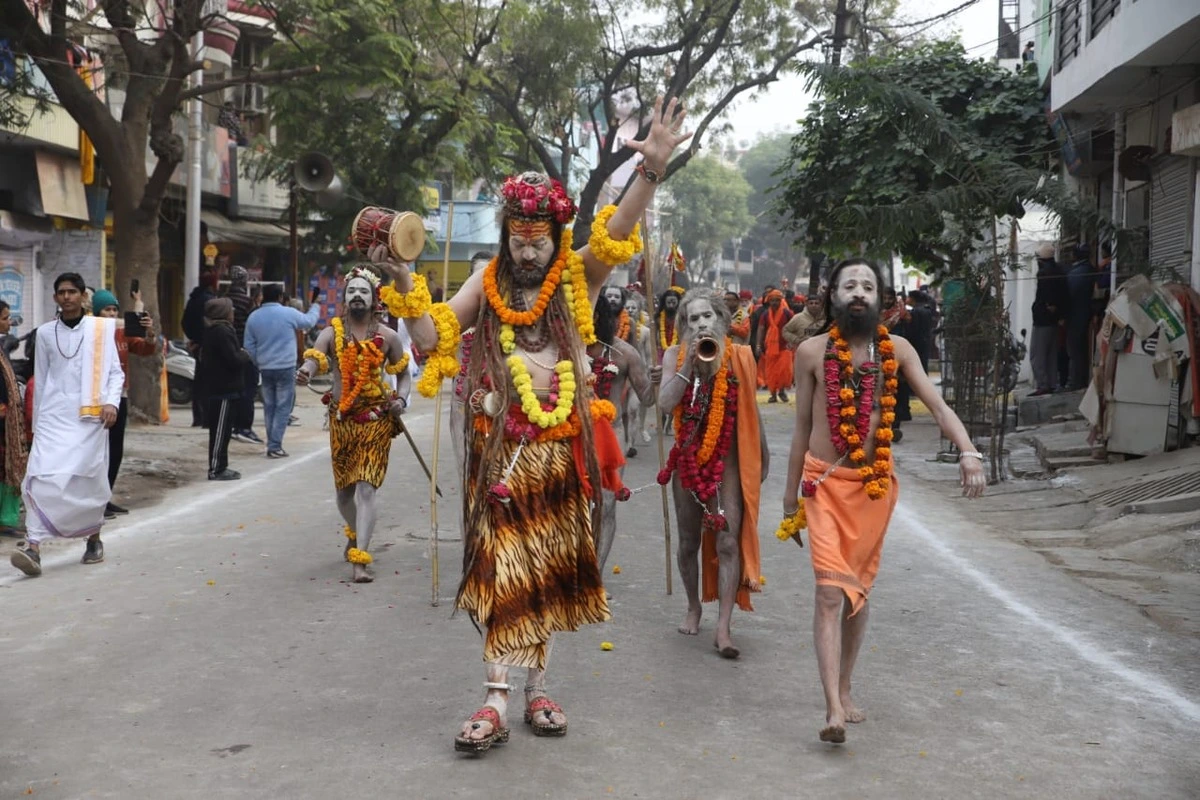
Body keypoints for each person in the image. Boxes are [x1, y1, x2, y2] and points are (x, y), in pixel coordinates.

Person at [375, 96, 688, 755]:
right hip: (493, 454)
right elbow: (436, 334)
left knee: (541, 570)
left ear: (555, 235)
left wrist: (651, 170)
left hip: (553, 449)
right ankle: (495, 694)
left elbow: (619, 225)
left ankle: (538, 686)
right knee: (495, 570)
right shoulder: (483, 283)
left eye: (536, 238)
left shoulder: (579, 279)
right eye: (516, 237)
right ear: (505, 234)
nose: (525, 249)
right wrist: (405, 285)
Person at [781, 258, 986, 744]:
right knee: (829, 592)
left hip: (874, 488)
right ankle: (832, 706)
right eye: (849, 285)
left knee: (856, 593)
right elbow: (802, 429)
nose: (858, 293)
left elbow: (938, 406)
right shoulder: (811, 352)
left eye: (867, 286)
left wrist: (969, 451)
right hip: (824, 485)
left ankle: (846, 686)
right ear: (833, 296)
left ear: (881, 299)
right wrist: (790, 499)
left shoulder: (898, 350)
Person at [657, 288, 767, 659]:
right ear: (683, 326)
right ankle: (693, 606)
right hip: (687, 460)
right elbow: (664, 403)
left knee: (726, 542)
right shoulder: (675, 354)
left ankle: (723, 627)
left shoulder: (740, 357)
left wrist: (761, 458)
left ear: (722, 320)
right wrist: (689, 365)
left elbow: (753, 415)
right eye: (693, 319)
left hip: (728, 465)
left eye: (708, 317)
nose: (702, 324)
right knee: (688, 543)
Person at [297, 266, 412, 583]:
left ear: (375, 298)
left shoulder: (388, 337)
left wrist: (400, 400)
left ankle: (359, 558)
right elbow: (315, 358)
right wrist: (307, 370)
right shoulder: (331, 334)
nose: (358, 295)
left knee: (366, 489)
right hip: (342, 421)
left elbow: (403, 375)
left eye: (364, 291)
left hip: (376, 419)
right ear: (344, 299)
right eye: (352, 291)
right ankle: (353, 532)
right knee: (344, 495)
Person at [10, 273, 124, 577]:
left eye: (72, 291)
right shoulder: (45, 333)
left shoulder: (100, 329)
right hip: (54, 417)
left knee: (87, 479)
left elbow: (115, 372)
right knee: (40, 475)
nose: (67, 297)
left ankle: (93, 539)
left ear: (83, 295)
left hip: (91, 418)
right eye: (61, 292)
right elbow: (42, 378)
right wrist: (36, 417)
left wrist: (112, 402)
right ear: (54, 297)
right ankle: (33, 546)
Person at [590, 287, 657, 568]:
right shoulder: (562, 348)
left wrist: (656, 379)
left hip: (611, 435)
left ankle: (596, 573)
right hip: (566, 436)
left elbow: (648, 398)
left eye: (594, 314)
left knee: (605, 507)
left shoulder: (625, 353)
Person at [91, 288, 159, 517]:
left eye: (114, 310)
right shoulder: (91, 331)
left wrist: (149, 333)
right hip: (95, 399)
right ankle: (94, 502)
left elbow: (144, 349)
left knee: (115, 450)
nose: (111, 314)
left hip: (120, 396)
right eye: (106, 309)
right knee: (97, 452)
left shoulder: (122, 333)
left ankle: (106, 497)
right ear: (96, 311)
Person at [243, 283, 320, 458]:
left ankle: (272, 444)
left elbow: (248, 345)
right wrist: (316, 306)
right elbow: (309, 321)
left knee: (269, 406)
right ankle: (275, 445)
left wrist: (258, 361)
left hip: (265, 368)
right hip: (285, 367)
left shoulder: (254, 317)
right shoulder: (288, 313)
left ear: (263, 296)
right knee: (283, 407)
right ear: (280, 297)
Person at [199, 297, 250, 481]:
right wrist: (245, 355)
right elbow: (234, 359)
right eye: (231, 310)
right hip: (222, 390)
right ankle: (216, 469)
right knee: (220, 431)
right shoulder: (221, 331)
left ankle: (221, 466)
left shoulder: (220, 330)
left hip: (226, 388)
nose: (233, 313)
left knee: (225, 430)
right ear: (223, 313)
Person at [225, 266, 264, 445]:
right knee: (248, 388)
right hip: (244, 350)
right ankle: (244, 427)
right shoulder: (247, 302)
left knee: (231, 389)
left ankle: (231, 425)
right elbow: (254, 325)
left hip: (226, 349)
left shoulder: (223, 299)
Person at [0, 299, 28, 535]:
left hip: (6, 424)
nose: (9, 322)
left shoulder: (2, 349)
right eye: (4, 318)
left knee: (8, 469)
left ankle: (6, 520)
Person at [1029, 244, 1067, 395]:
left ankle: (1043, 384)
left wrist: (1046, 307)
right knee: (1051, 354)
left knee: (1037, 354)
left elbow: (1045, 295)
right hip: (1054, 320)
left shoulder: (1044, 273)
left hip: (1042, 320)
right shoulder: (1060, 271)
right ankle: (1051, 383)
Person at [182, 269, 218, 427]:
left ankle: (198, 417)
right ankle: (206, 418)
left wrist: (194, 339)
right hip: (207, 346)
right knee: (209, 382)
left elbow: (185, 322)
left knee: (199, 382)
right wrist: (202, 340)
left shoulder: (193, 299)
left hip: (197, 345)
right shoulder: (209, 301)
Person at [755, 289, 794, 403]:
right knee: (771, 371)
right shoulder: (765, 314)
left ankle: (781, 391)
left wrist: (792, 341)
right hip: (770, 347)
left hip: (785, 347)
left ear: (781, 300)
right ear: (769, 301)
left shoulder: (787, 313)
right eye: (772, 301)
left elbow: (793, 327)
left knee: (784, 371)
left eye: (777, 300)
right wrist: (758, 345)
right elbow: (761, 329)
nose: (775, 303)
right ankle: (773, 394)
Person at [1065, 243, 1095, 391]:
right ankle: (1080, 380)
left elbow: (1067, 295)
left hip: (1075, 317)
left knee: (1075, 351)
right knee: (1081, 350)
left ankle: (1076, 382)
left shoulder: (1075, 274)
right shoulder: (1089, 270)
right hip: (1084, 315)